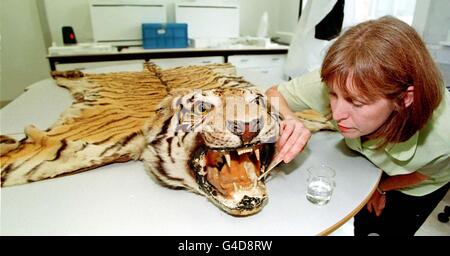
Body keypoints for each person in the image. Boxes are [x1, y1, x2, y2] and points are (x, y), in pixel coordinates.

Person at [265, 16, 450, 236]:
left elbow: (424, 174)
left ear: (404, 99)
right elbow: (273, 94)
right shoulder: (345, 78)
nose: (336, 114)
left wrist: (381, 188)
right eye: (333, 95)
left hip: (418, 183)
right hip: (370, 166)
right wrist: (290, 118)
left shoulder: (443, 134)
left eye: (357, 102)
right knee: (363, 226)